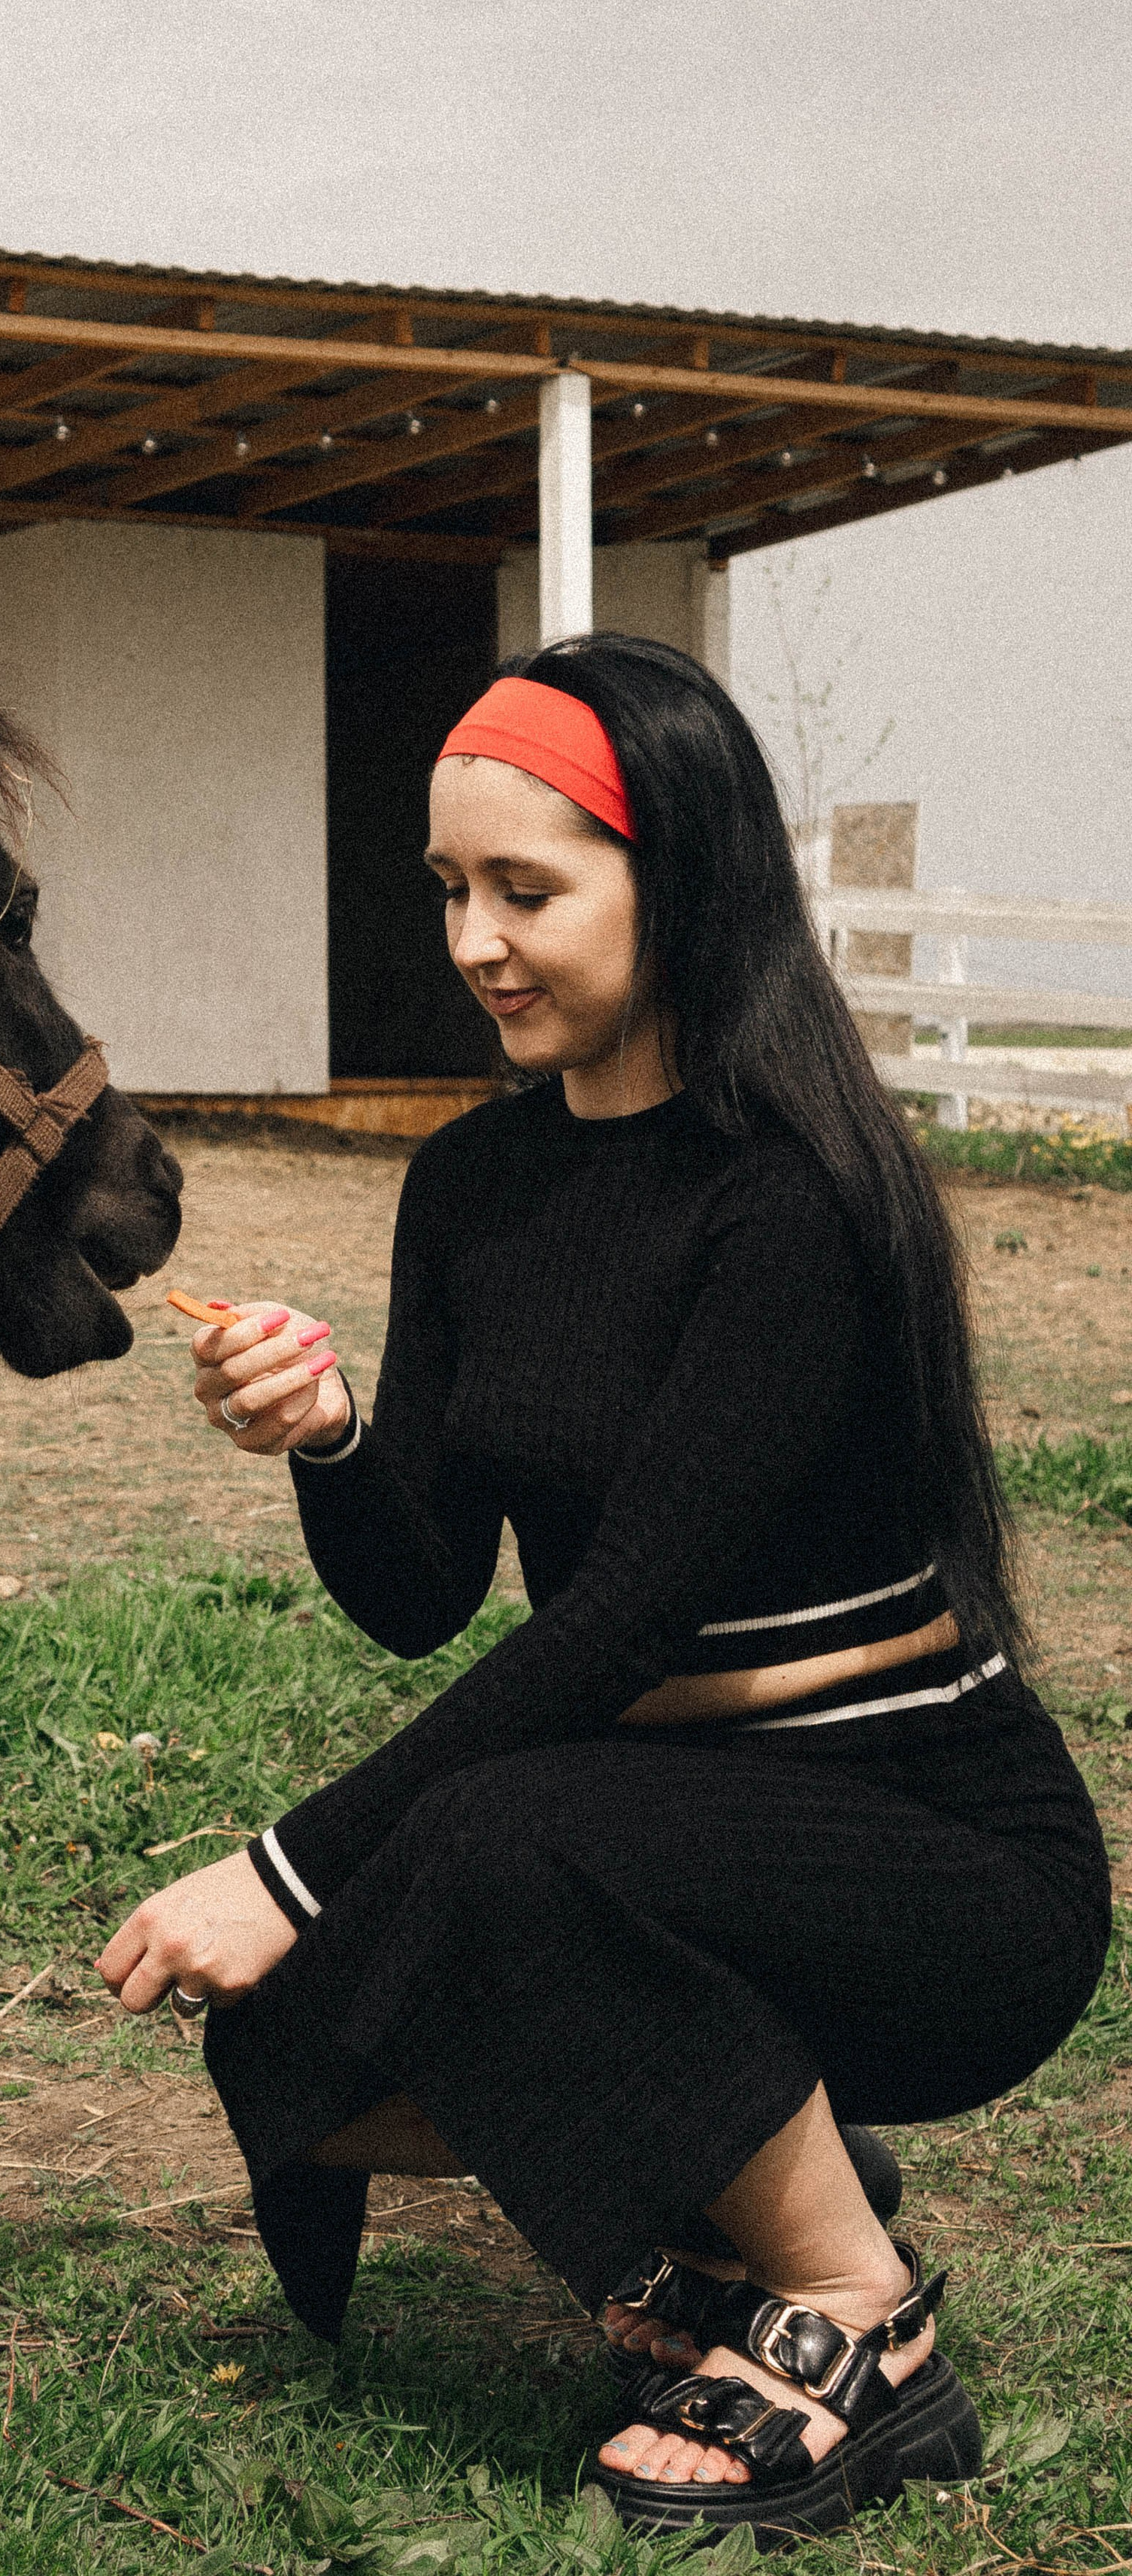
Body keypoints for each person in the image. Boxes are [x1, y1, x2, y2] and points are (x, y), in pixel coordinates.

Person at [97, 637, 1110, 2550]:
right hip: (662, 1832)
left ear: (685, 881)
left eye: (527, 891)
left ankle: (854, 2321)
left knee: (479, 1848)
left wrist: (285, 1867)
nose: (474, 941)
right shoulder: (471, 1186)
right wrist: (323, 1439)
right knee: (286, 2043)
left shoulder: (790, 1201)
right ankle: (736, 2182)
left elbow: (610, 1631)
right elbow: (421, 1595)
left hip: (932, 1861)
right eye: (450, 890)